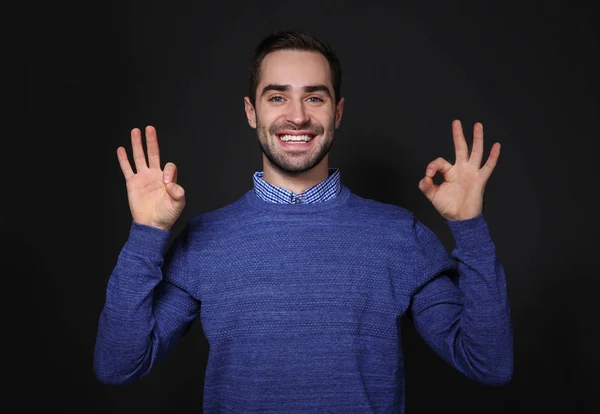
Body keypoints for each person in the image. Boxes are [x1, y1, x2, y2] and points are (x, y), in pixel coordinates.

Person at [94, 30, 513, 412]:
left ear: (338, 111)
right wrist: (146, 236)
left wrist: (470, 226)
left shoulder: (399, 235)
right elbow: (119, 364)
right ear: (251, 111)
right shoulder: (205, 240)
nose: (297, 116)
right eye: (277, 97)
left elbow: (488, 363)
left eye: (315, 97)